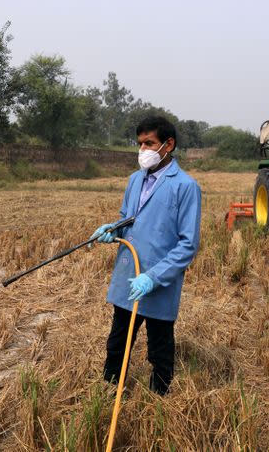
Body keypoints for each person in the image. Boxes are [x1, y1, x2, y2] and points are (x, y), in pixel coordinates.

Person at [91, 116, 202, 395]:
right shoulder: (134, 180)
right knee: (118, 342)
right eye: (140, 144)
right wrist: (112, 230)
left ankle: (158, 401)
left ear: (168, 145)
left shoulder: (185, 187)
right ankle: (110, 390)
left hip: (157, 280)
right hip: (129, 275)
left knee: (160, 347)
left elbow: (188, 244)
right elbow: (128, 219)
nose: (143, 150)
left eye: (149, 143)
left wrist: (153, 278)